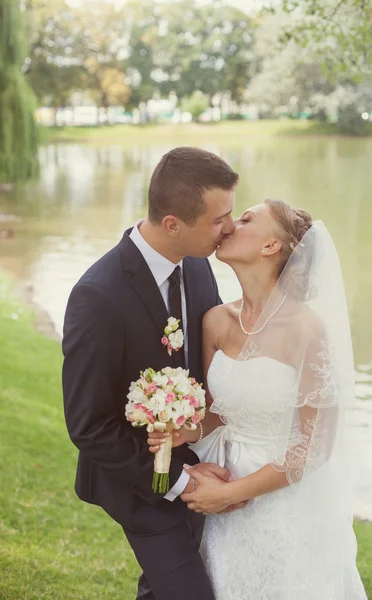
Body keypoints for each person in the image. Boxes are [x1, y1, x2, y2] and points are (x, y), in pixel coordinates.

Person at [148, 199, 368, 600]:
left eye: (246, 219)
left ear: (271, 247)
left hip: (280, 504)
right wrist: (181, 431)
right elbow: (217, 413)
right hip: (221, 489)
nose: (230, 225)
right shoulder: (215, 320)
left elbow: (315, 445)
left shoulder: (307, 329)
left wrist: (232, 493)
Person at [62, 146, 244, 600]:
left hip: (197, 461)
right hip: (136, 481)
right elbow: (89, 425)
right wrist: (180, 483)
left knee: (162, 590)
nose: (230, 228)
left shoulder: (199, 264)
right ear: (172, 224)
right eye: (219, 218)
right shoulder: (97, 296)